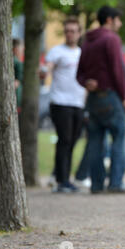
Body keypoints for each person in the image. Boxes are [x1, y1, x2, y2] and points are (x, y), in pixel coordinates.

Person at [76, 6, 125, 194]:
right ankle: (115, 182)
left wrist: (87, 82)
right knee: (118, 137)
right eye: (118, 19)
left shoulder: (87, 41)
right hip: (110, 96)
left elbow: (79, 74)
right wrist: (124, 97)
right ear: (109, 19)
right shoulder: (111, 39)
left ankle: (96, 184)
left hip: (93, 98)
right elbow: (117, 71)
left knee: (94, 141)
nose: (121, 24)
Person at [43, 17, 85, 193]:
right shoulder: (56, 51)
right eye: (67, 30)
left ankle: (61, 176)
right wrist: (44, 72)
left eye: (73, 31)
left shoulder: (82, 53)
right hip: (60, 102)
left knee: (73, 140)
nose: (70, 34)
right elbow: (49, 67)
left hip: (78, 103)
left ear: (79, 33)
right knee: (65, 140)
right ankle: (62, 180)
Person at [12, 38, 23, 113]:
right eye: (21, 49)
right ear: (15, 49)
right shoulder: (17, 63)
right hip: (14, 99)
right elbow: (16, 83)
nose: (22, 52)